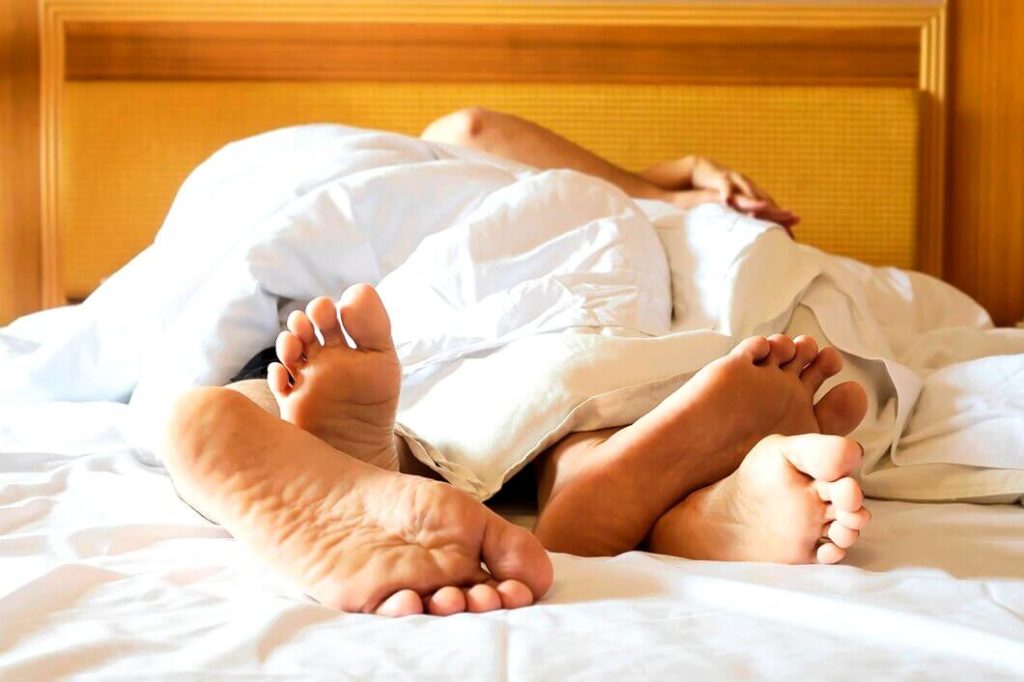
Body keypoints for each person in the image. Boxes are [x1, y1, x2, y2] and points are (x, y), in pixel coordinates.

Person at [158, 108, 871, 618]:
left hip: (409, 328)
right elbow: (469, 130)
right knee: (583, 398)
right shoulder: (611, 201)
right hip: (591, 325)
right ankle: (644, 495)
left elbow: (472, 127)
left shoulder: (428, 168)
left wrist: (670, 183)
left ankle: (353, 453)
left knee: (302, 384)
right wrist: (670, 186)